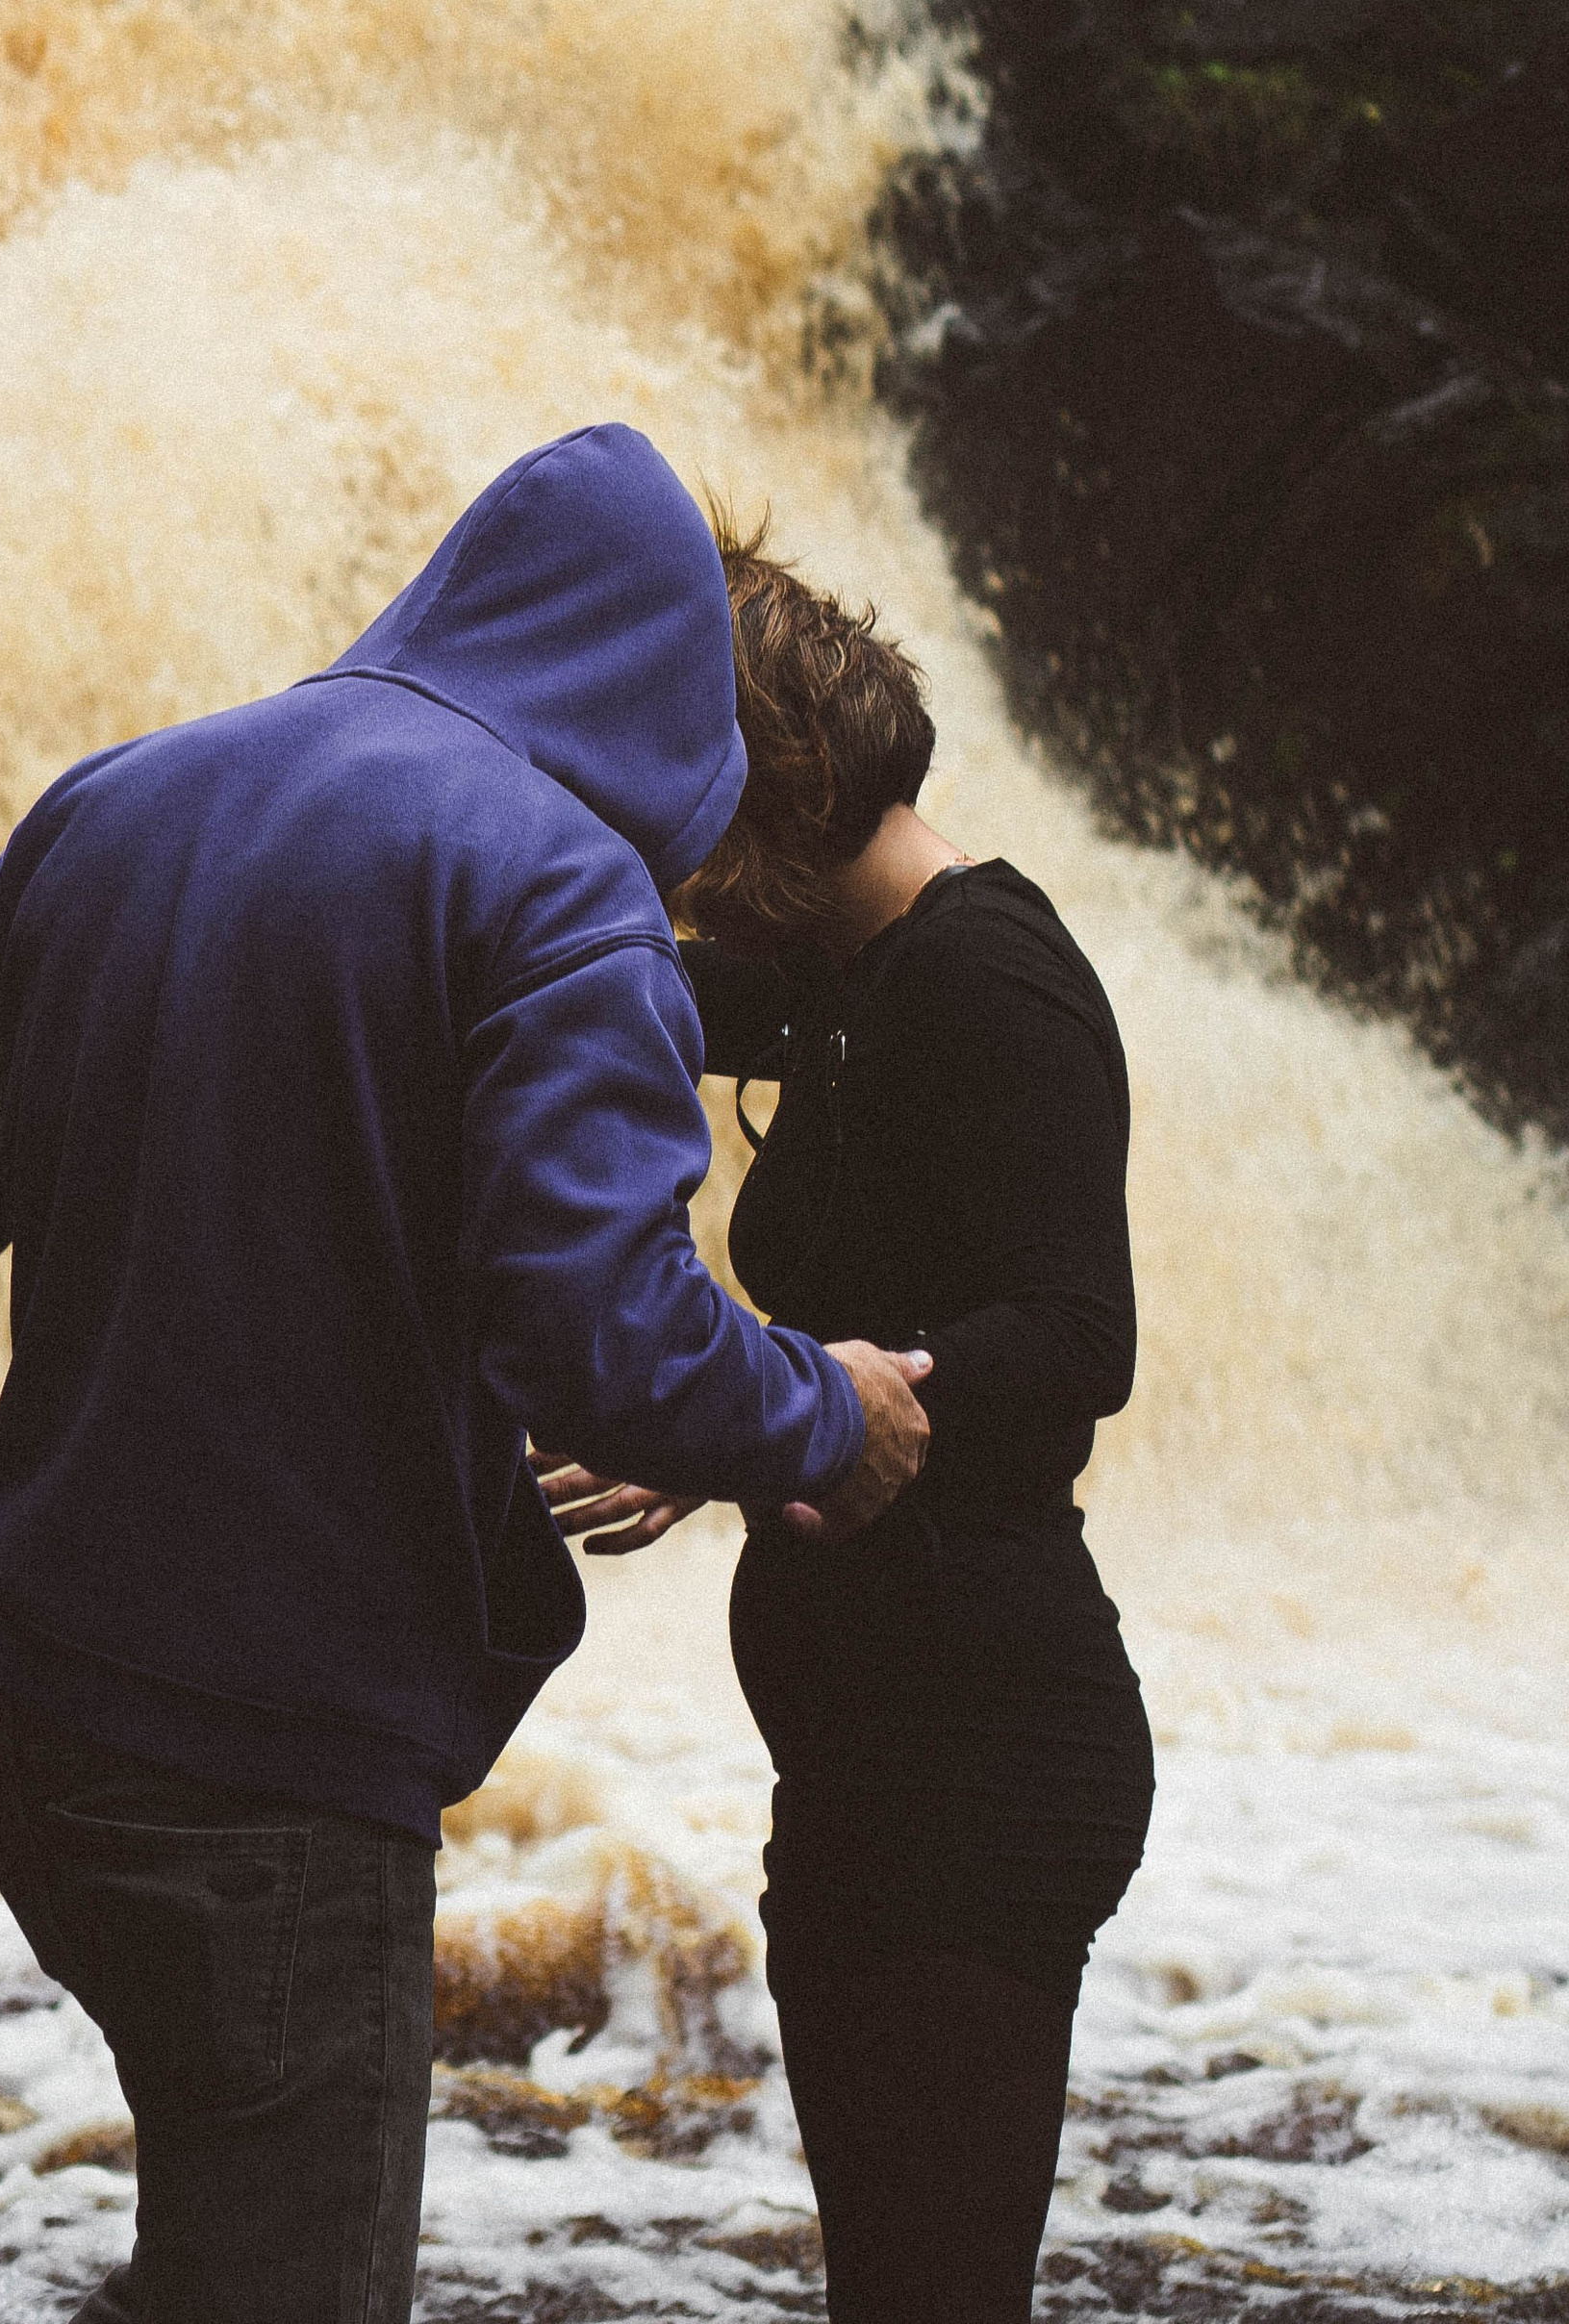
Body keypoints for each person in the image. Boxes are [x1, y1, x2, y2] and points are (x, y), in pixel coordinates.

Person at [0, 426, 928, 2324]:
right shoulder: (560, 895)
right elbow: (599, 1333)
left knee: (211, 2233)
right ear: (663, 693)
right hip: (264, 1772)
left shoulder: (120, 799)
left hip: (28, 1726)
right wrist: (827, 1412)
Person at [544, 527, 1151, 2324]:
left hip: (983, 1756)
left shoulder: (984, 976)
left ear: (772, 797)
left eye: (686, 806)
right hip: (882, 1759)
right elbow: (600, 989)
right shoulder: (836, 979)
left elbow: (1075, 1338)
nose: (675, 865)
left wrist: (749, 1423)